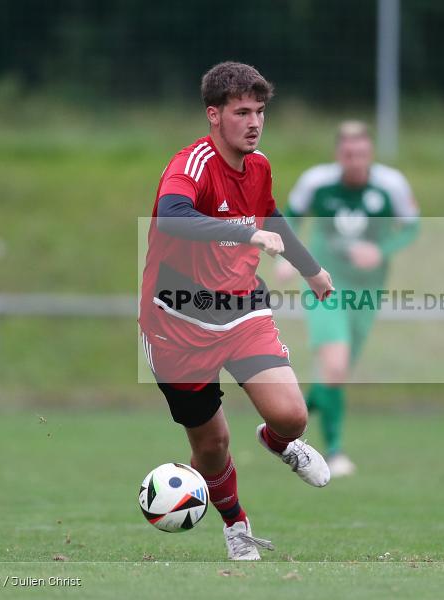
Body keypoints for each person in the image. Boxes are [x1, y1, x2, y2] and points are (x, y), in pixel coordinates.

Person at [138, 62, 334, 560]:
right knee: (211, 448)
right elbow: (174, 217)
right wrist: (246, 234)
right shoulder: (192, 166)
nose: (253, 122)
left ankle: (278, 442)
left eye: (260, 111)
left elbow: (270, 215)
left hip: (241, 310)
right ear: (214, 115)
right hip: (177, 323)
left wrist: (310, 269)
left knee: (291, 416)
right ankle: (236, 524)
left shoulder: (260, 165)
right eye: (241, 111)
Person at [277, 121, 419, 477]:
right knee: (335, 366)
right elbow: (288, 218)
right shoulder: (317, 182)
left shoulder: (391, 185)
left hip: (368, 289)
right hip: (325, 280)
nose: (354, 159)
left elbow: (412, 226)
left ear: (370, 153)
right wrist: (286, 259)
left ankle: (281, 422)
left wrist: (381, 250)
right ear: (338, 154)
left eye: (361, 153)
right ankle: (334, 452)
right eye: (347, 153)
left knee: (335, 375)